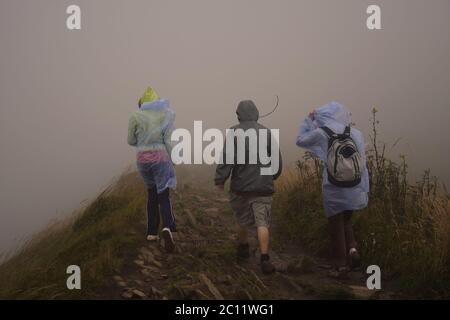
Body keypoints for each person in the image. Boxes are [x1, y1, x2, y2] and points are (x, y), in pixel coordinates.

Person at [296, 102, 369, 276]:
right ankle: (353, 251)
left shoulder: (322, 133)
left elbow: (300, 140)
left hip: (334, 186)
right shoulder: (356, 133)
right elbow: (362, 163)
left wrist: (309, 119)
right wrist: (363, 188)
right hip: (354, 184)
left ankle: (341, 265)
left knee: (335, 223)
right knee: (347, 220)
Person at [215, 100, 282, 274]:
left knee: (242, 220)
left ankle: (243, 248)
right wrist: (271, 176)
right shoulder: (267, 132)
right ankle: (265, 258)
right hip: (263, 187)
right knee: (262, 223)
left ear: (239, 115)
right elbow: (276, 160)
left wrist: (220, 179)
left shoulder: (234, 132)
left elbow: (227, 159)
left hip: (240, 187)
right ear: (256, 113)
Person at [128, 86, 177, 253]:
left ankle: (151, 232)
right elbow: (169, 141)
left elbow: (130, 140)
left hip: (142, 160)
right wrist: (174, 158)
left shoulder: (135, 116)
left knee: (151, 194)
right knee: (164, 194)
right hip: (161, 158)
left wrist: (142, 145)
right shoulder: (165, 115)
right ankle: (168, 227)